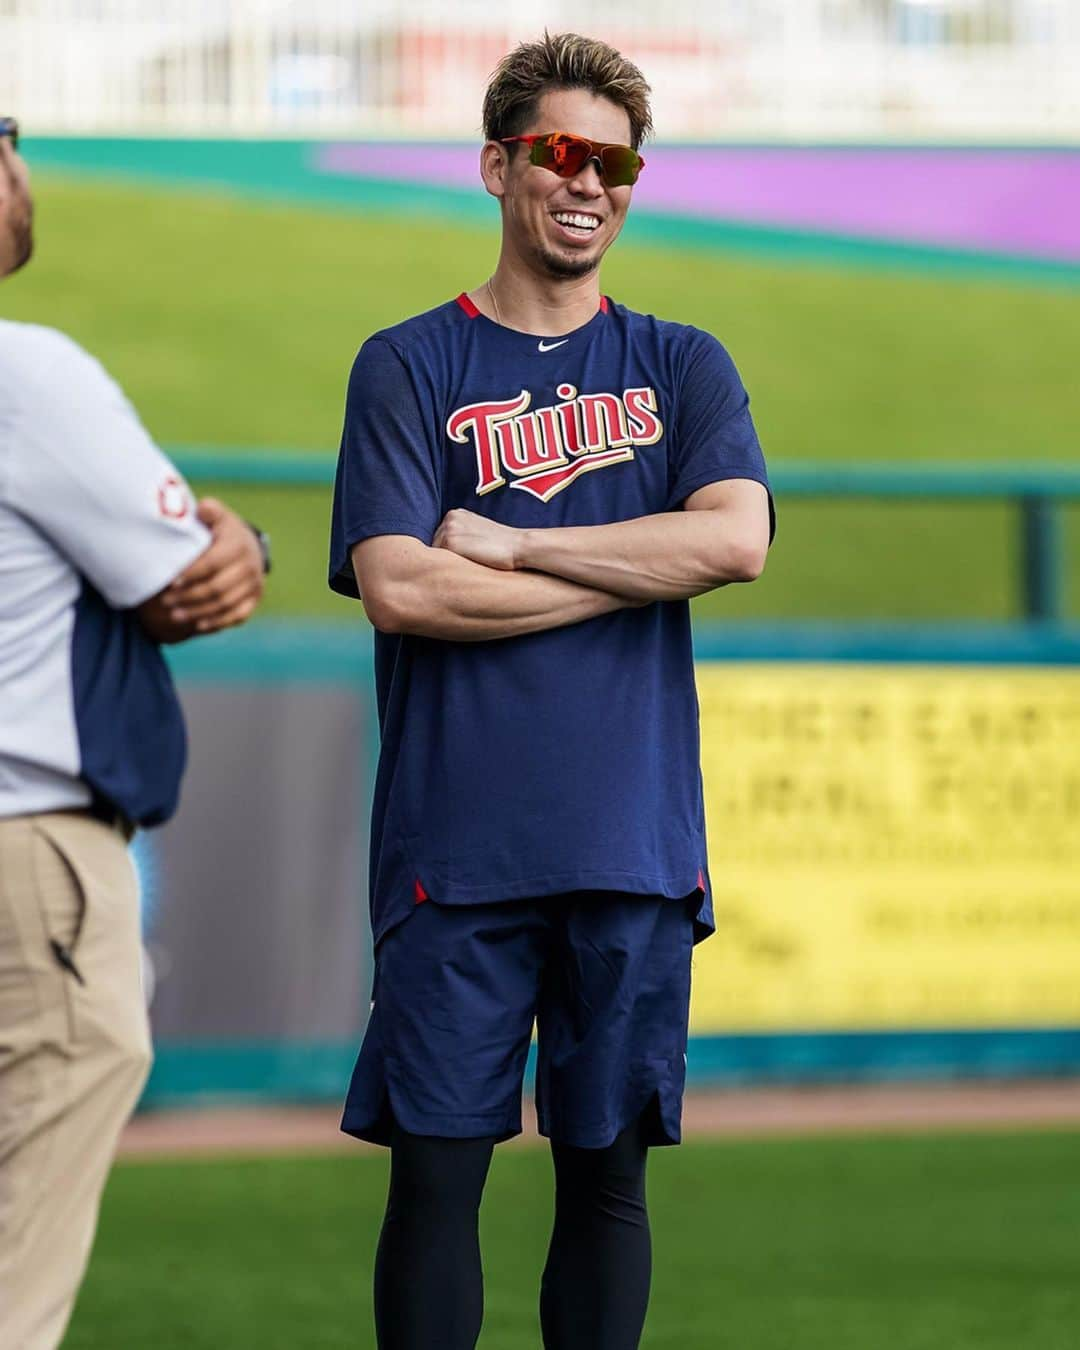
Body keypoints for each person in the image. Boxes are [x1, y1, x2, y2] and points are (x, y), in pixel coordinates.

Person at [329, 33, 773, 1350]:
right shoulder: (409, 365)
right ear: (497, 166)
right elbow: (406, 587)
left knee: (608, 1185)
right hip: (454, 853)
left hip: (629, 846)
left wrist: (517, 541)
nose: (590, 184)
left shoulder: (682, 364)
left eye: (616, 161)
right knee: (434, 1184)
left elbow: (735, 541)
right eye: (563, 153)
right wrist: (641, 563)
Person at [0, 119, 268, 1349]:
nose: (18, 170)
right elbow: (187, 583)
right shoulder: (25, 372)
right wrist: (247, 542)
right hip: (23, 846)